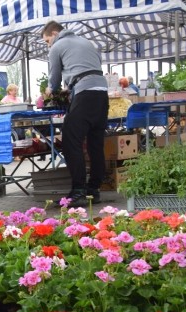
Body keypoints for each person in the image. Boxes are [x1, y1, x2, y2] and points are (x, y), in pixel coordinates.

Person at [42, 20, 108, 207]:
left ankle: (78, 191)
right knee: (96, 143)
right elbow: (90, 69)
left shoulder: (57, 46)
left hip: (85, 93)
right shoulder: (86, 42)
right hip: (101, 93)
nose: (48, 45)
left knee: (70, 139)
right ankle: (93, 191)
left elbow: (54, 80)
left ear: (54, 34)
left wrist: (50, 91)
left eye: (47, 41)